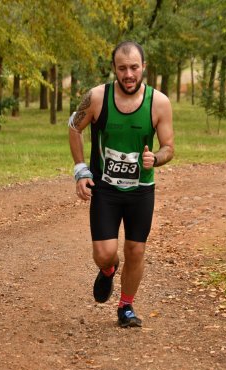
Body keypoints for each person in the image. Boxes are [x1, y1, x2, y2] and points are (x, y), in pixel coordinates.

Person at [68, 41, 174, 328]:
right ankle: (108, 270)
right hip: (106, 188)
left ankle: (126, 306)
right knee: (103, 253)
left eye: (134, 67)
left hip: (141, 190)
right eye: (122, 68)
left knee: (136, 250)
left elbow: (169, 147)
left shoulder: (159, 102)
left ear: (144, 68)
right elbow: (74, 127)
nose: (129, 74)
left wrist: (158, 158)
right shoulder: (96, 98)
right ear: (114, 69)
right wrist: (81, 170)